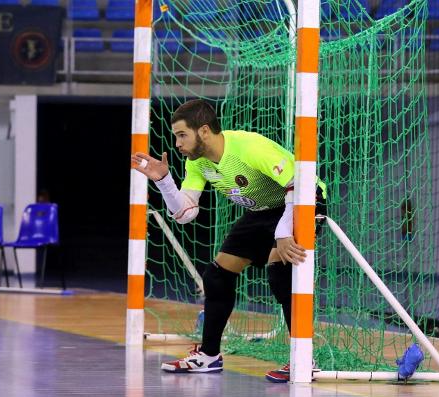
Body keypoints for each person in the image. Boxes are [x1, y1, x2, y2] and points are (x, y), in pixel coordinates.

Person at [132, 99, 324, 381]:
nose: (177, 143)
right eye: (175, 136)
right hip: (262, 210)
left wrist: (283, 234)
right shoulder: (196, 163)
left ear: (205, 131)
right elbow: (186, 213)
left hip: (304, 201)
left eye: (182, 134)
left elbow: (299, 185)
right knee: (217, 276)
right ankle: (209, 356)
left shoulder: (249, 146)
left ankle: (304, 360)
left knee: (279, 272)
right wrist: (164, 181)